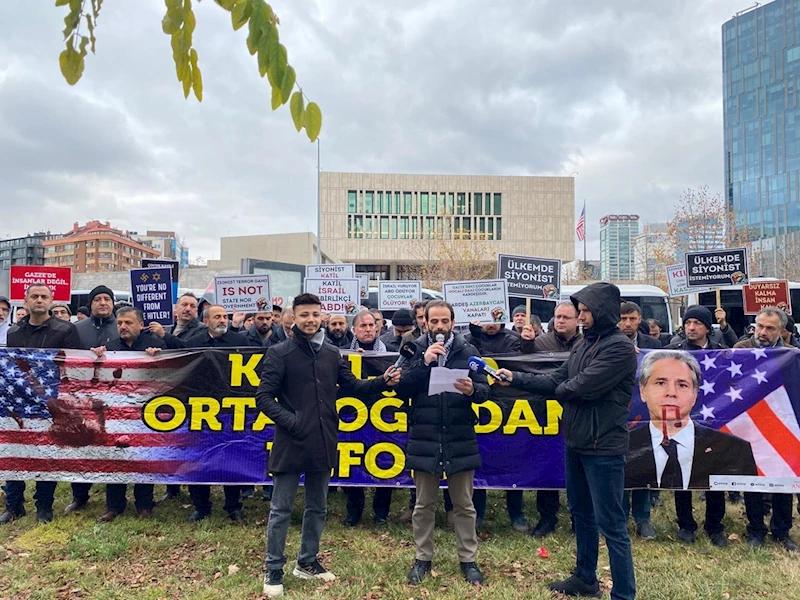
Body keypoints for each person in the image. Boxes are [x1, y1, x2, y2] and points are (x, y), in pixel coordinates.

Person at [495, 282, 637, 600]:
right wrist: (515, 378)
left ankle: (624, 594)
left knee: (612, 524)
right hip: (576, 442)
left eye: (585, 311)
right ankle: (585, 579)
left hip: (603, 447)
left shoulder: (619, 347)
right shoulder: (584, 344)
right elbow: (559, 378)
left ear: (602, 311)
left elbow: (578, 388)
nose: (581, 316)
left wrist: (557, 388)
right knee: (581, 513)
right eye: (580, 311)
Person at [256, 293, 401, 598]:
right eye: (304, 314)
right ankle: (274, 568)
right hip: (291, 441)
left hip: (323, 441)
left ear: (322, 316)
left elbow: (354, 386)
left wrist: (382, 382)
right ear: (294, 318)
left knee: (317, 507)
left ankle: (307, 562)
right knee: (281, 509)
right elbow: (264, 398)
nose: (310, 319)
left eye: (315, 314)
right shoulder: (279, 353)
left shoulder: (332, 353)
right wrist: (294, 422)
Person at [394, 300, 489, 587]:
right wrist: (424, 364)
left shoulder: (468, 350)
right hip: (425, 435)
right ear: (424, 322)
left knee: (464, 504)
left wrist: (474, 390)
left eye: (444, 321)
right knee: (424, 505)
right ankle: (422, 558)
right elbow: (402, 388)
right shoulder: (412, 350)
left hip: (459, 435)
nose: (438, 327)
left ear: (452, 322)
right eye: (432, 321)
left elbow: (485, 390)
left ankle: (468, 560)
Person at [0, 284, 82, 525]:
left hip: (50, 402)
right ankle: (14, 505)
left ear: (51, 300)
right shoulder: (14, 332)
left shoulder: (65, 330)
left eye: (43, 296)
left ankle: (43, 506)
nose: (39, 300)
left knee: (46, 453)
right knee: (14, 450)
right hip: (17, 402)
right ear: (25, 301)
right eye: (34, 296)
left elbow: (76, 365)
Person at [88, 307, 166, 523]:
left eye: (128, 323)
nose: (122, 326)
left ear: (141, 325)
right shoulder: (111, 348)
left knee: (143, 457)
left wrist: (159, 357)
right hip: (118, 413)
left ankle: (144, 504)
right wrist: (95, 356)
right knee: (115, 459)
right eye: (120, 323)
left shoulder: (155, 345)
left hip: (146, 412)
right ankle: (114, 506)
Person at [664, 304, 732, 546]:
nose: (691, 328)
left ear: (707, 328)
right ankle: (686, 524)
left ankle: (715, 526)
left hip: (713, 422)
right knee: (682, 471)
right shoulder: (671, 352)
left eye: (697, 324)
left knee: (713, 474)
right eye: (688, 323)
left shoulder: (721, 354)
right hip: (681, 420)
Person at [732, 308, 798, 551]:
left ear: (781, 330)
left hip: (781, 424)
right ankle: (756, 530)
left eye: (769, 328)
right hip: (749, 425)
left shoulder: (791, 355)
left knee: (782, 479)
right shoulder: (741, 349)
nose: (762, 332)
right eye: (759, 326)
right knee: (753, 480)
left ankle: (782, 531)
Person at [517, 301, 584, 538]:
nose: (560, 321)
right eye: (557, 317)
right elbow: (523, 361)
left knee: (578, 470)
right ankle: (547, 518)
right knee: (546, 462)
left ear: (578, 320)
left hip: (575, 413)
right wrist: (526, 343)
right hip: (542, 413)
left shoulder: (586, 343)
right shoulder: (542, 341)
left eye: (566, 317)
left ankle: (580, 519)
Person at [184, 305, 251, 521]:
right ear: (206, 322)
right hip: (200, 409)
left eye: (225, 317)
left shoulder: (239, 341)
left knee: (232, 456)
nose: (223, 320)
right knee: (199, 458)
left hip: (232, 409)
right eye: (217, 317)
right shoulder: (194, 343)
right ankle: (201, 506)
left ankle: (233, 505)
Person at [65, 285, 121, 515]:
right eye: (97, 299)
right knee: (81, 445)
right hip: (83, 396)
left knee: (115, 448)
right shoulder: (76, 329)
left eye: (107, 298)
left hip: (116, 398)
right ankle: (80, 495)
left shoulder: (122, 326)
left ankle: (115, 502)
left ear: (113, 302)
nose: (102, 302)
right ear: (90, 304)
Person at [465, 319, 523, 530]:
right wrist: (476, 335)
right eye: (486, 320)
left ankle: (517, 513)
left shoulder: (512, 340)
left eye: (494, 319)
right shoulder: (469, 339)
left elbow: (518, 363)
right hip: (479, 410)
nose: (490, 324)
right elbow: (471, 360)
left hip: (509, 410)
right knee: (478, 464)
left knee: (511, 460)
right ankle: (477, 512)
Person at [341, 311, 394, 527]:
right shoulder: (342, 356)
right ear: (354, 330)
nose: (368, 329)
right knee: (352, 462)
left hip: (384, 416)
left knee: (385, 462)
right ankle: (354, 512)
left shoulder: (390, 355)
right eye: (363, 326)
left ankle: (381, 513)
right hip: (354, 417)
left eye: (372, 325)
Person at [618, 301, 660, 541]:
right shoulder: (609, 343)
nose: (627, 324)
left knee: (643, 462)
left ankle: (643, 519)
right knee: (621, 467)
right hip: (619, 414)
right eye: (623, 319)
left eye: (632, 319)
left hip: (646, 414)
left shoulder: (652, 345)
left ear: (639, 320)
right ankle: (620, 518)